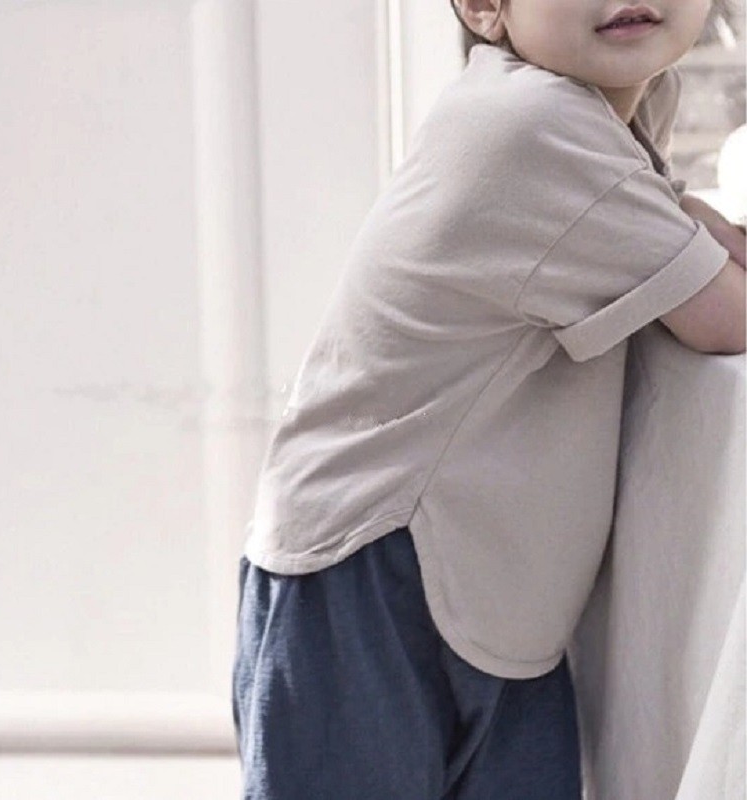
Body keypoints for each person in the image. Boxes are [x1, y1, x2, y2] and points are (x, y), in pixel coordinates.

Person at [231, 0, 746, 796]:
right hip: (370, 566)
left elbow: (694, 243)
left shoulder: (602, 107)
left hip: (493, 587)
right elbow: (726, 317)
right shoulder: (531, 124)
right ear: (483, 6)